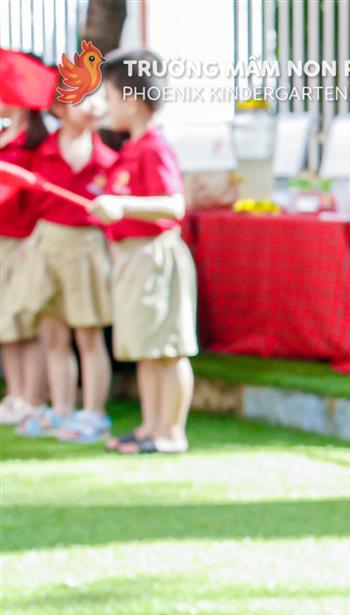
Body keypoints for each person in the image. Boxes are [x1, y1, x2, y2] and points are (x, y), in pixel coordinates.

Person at [91, 48, 195, 454]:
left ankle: (171, 432)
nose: (106, 106)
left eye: (110, 96)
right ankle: (150, 428)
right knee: (146, 348)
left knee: (168, 349)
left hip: (156, 256)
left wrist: (123, 207)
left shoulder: (154, 147)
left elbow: (174, 205)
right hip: (132, 258)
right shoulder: (130, 149)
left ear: (133, 100)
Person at [3, 80, 114, 443]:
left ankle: (93, 412)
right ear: (59, 109)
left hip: (87, 248)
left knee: (89, 335)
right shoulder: (42, 152)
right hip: (47, 246)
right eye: (85, 99)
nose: (95, 106)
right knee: (53, 335)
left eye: (99, 98)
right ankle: (62, 410)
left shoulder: (108, 160)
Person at [0, 85, 50, 427]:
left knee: (26, 322)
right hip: (2, 240)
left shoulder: (35, 144)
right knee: (6, 323)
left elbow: (39, 196)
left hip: (24, 242)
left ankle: (33, 398)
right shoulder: (4, 137)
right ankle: (15, 394)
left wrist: (33, 237)